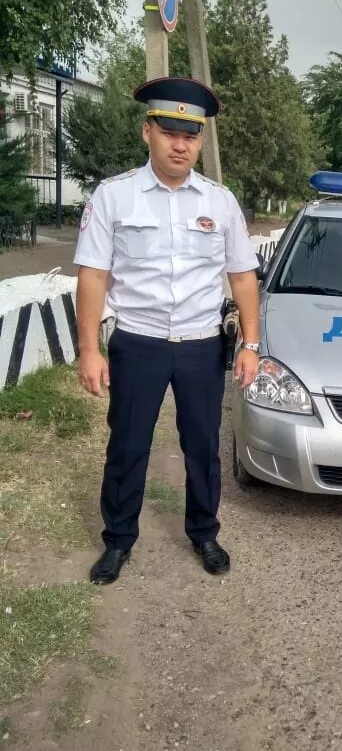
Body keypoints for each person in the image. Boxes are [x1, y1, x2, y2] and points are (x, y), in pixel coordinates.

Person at [75, 76, 261, 585]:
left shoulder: (220, 202)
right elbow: (92, 275)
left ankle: (203, 532)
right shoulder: (115, 197)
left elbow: (243, 278)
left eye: (191, 135)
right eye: (170, 132)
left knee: (202, 445)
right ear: (147, 133)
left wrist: (250, 343)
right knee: (129, 445)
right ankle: (117, 541)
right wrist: (89, 350)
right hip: (138, 342)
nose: (181, 145)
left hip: (201, 347)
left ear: (200, 140)